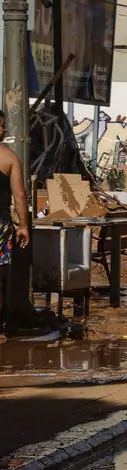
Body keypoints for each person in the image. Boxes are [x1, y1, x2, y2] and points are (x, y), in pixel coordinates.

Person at [0, 112, 31, 326]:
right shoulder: (9, 157)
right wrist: (24, 226)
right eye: (1, 125)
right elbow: (20, 195)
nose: (5, 130)